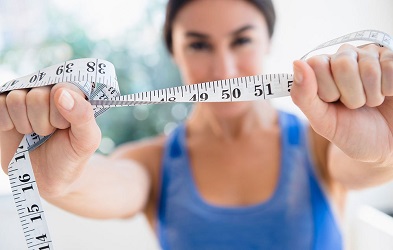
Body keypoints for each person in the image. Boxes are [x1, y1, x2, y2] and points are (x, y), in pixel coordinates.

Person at [1, 0, 393, 249]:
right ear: (175, 52)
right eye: (199, 45)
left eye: (241, 41)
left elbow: (365, 164)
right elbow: (96, 182)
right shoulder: (152, 162)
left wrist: (385, 150)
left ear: (268, 42)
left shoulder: (323, 143)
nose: (222, 70)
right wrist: (55, 177)